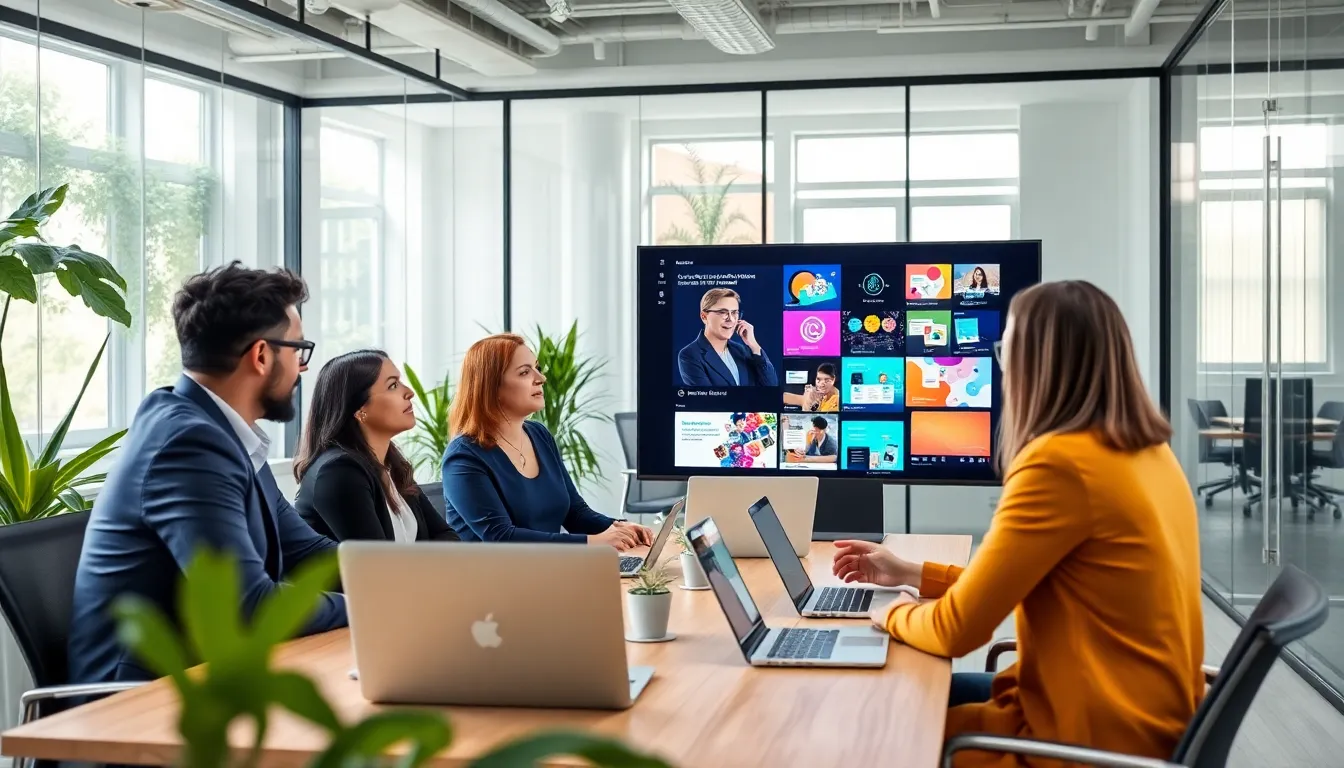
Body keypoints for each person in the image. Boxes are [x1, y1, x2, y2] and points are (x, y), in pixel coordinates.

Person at [833, 280, 1202, 766]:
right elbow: (1029, 582)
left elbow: (956, 632)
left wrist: (887, 613)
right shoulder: (1149, 453)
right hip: (1145, 723)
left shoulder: (1059, 465)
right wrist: (909, 573)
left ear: (1035, 363)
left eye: (1006, 349)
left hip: (1081, 743)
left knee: (871, 722)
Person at [69, 263, 346, 685]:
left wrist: (416, 581)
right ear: (261, 355)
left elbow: (307, 554)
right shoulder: (189, 442)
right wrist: (374, 607)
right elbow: (248, 606)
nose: (302, 369)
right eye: (297, 351)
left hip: (207, 679)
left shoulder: (221, 432)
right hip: (138, 708)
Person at [442, 333, 654, 548]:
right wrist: (593, 542)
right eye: (525, 372)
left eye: (537, 368)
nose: (540, 378)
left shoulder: (539, 435)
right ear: (491, 387)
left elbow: (575, 513)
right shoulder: (463, 456)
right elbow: (500, 537)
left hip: (548, 570)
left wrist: (620, 528)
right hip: (494, 578)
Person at [293, 350, 460, 543]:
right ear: (360, 409)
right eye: (393, 385)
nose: (409, 392)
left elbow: (448, 538)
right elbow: (376, 565)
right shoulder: (339, 472)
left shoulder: (392, 464)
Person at [677, 287, 778, 387]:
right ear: (704, 316)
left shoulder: (741, 350)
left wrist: (754, 345)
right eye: (722, 312)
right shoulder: (690, 355)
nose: (731, 319)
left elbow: (771, 386)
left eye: (734, 313)